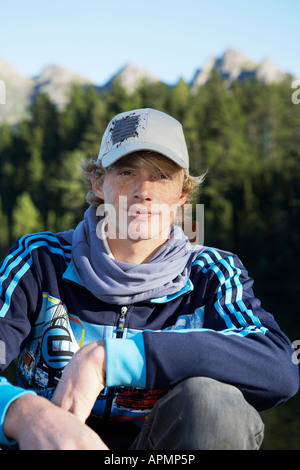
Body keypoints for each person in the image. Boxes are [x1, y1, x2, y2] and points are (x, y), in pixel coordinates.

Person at [0, 108, 299, 450]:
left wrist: (112, 358)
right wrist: (25, 414)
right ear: (99, 183)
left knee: (215, 404)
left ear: (183, 195)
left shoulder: (211, 274)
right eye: (127, 171)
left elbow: (279, 367)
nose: (143, 190)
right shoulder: (39, 259)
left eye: (161, 176)